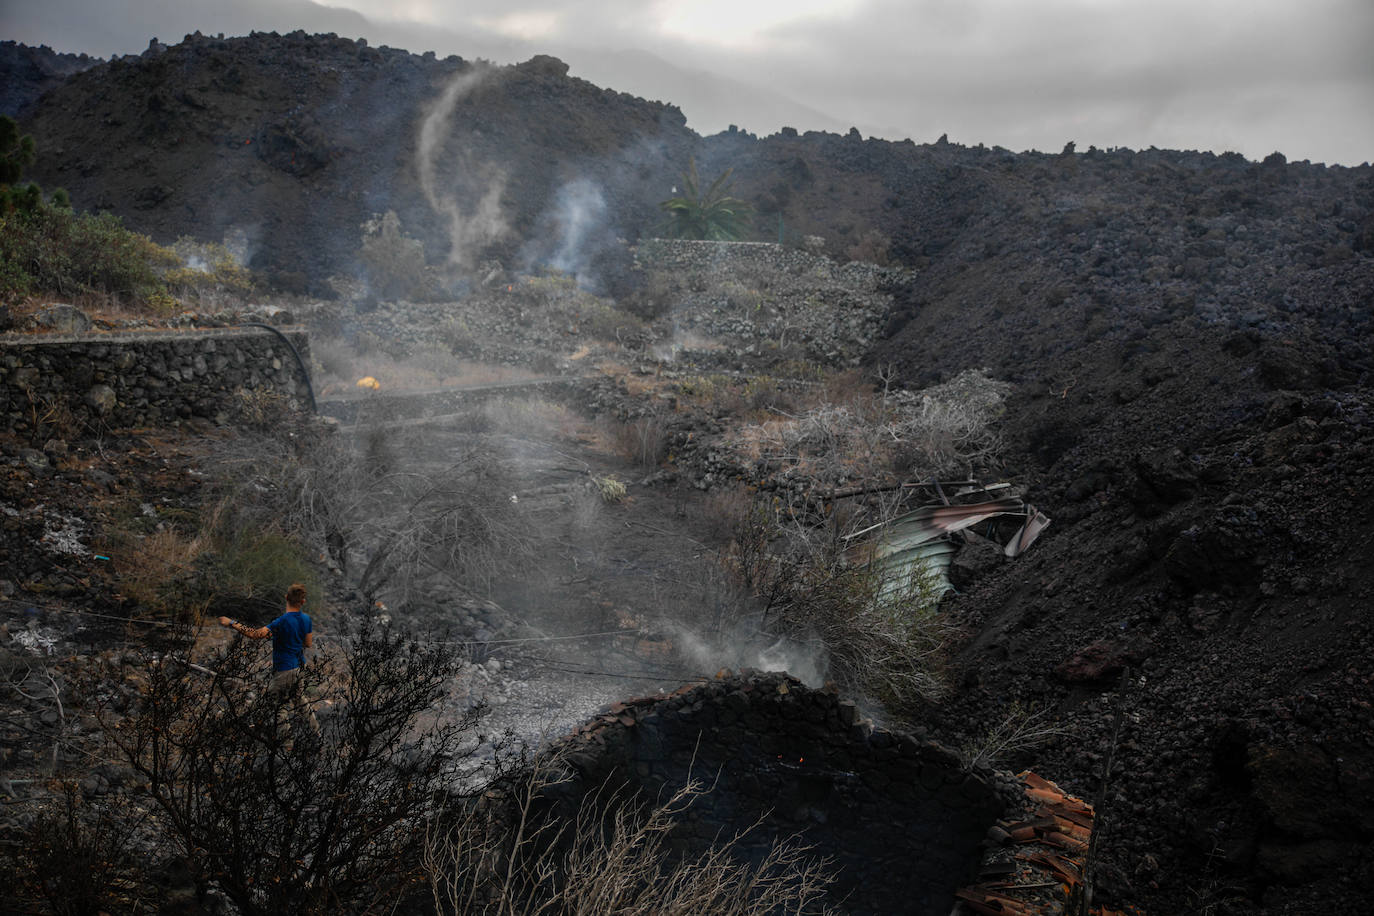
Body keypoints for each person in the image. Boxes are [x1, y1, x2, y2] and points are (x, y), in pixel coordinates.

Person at [219, 583, 320, 739]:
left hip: (284, 670)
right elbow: (307, 643)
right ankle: (316, 736)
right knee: (300, 701)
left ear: (286, 598)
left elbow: (254, 634)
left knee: (276, 706)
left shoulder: (281, 622)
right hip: (300, 667)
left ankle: (286, 745)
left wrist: (232, 623)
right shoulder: (306, 620)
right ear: (303, 601)